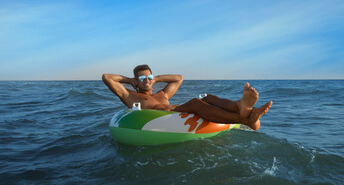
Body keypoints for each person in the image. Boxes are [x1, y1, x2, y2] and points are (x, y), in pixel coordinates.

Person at [102, 64, 272, 131]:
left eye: (149, 77)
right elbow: (107, 77)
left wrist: (157, 78)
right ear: (135, 82)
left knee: (209, 98)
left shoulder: (162, 94)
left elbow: (179, 78)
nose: (146, 80)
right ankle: (244, 119)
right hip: (164, 118)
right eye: (141, 78)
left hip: (175, 111)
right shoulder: (131, 96)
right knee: (195, 103)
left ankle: (239, 106)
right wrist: (129, 80)